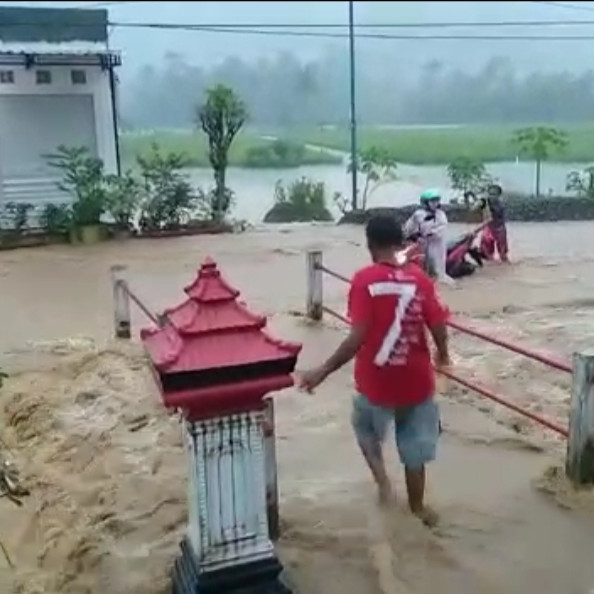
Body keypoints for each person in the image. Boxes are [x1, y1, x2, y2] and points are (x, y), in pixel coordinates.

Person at [300, 215, 451, 527]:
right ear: (400, 243)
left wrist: (323, 370)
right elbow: (437, 324)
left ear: (370, 245)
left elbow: (358, 336)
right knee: (414, 450)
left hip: (376, 383)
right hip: (416, 381)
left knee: (365, 429)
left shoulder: (364, 280)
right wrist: (443, 356)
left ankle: (383, 483)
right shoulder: (420, 279)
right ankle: (418, 509)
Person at [403, 189, 453, 284]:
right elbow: (409, 228)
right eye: (432, 201)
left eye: (436, 201)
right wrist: (415, 236)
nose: (435, 203)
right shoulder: (418, 214)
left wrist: (431, 233)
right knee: (421, 265)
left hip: (437, 246)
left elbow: (442, 229)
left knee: (437, 267)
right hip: (422, 244)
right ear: (426, 202)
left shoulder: (441, 215)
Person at [476, 184, 509, 262]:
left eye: (494, 194)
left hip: (499, 228)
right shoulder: (484, 203)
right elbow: (475, 209)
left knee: (503, 254)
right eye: (490, 194)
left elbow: (503, 219)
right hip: (488, 228)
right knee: (486, 253)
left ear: (499, 195)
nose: (492, 196)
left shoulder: (501, 206)